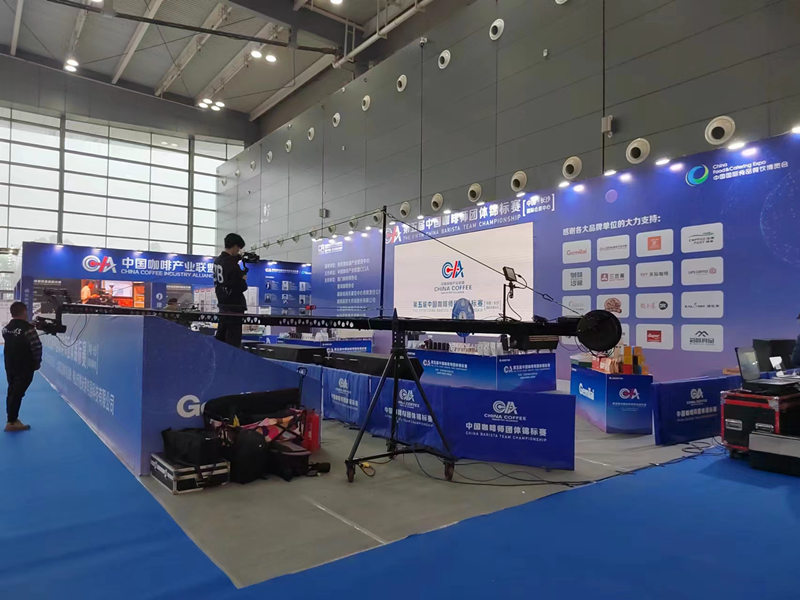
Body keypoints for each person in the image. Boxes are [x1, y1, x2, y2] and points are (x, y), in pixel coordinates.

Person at [3, 302, 41, 432]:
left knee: (12, 391)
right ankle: (12, 422)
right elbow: (36, 347)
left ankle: (12, 419)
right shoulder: (28, 329)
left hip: (9, 365)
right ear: (24, 312)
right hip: (24, 366)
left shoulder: (6, 328)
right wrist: (37, 362)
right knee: (17, 393)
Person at [213, 233, 248, 347]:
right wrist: (243, 278)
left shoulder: (217, 261)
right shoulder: (232, 264)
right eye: (238, 248)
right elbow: (240, 286)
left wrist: (239, 259)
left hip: (223, 305)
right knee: (233, 340)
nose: (238, 251)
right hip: (234, 306)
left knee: (221, 336)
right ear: (235, 246)